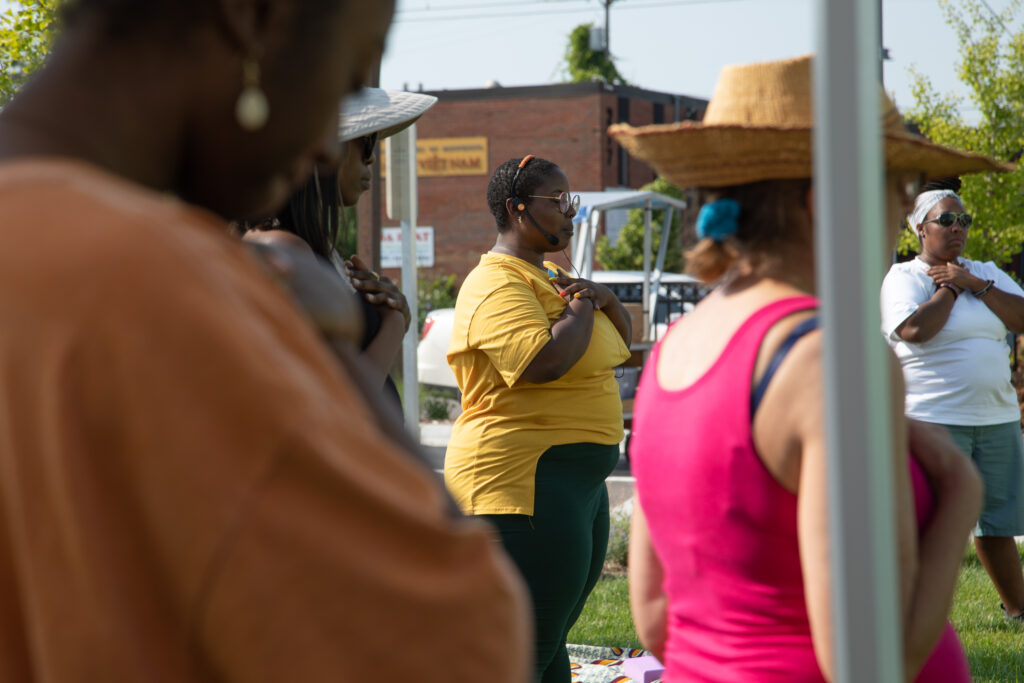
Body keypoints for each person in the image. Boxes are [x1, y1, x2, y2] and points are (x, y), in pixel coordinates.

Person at [0, 1, 529, 681]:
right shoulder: (161, 288)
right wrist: (329, 345)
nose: (325, 144)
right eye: (346, 75)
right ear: (252, 20)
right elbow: (468, 644)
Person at [611, 55, 1003, 681]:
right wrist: (960, 493)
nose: (900, 212)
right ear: (832, 201)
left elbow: (656, 617)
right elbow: (870, 656)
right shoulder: (830, 359)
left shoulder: (675, 348)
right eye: (897, 190)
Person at [444, 155, 632, 683]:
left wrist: (605, 299)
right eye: (558, 202)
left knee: (548, 652)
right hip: (522, 485)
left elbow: (624, 347)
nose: (570, 213)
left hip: (575, 486)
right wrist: (579, 309)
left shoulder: (550, 276)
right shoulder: (495, 284)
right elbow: (542, 362)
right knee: (521, 655)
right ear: (516, 208)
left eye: (572, 201)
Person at [881, 178, 1024, 622]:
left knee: (998, 524)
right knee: (927, 525)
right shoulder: (903, 277)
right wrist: (950, 287)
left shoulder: (987, 272)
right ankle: (910, 618)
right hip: (932, 419)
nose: (958, 227)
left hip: (997, 418)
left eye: (963, 219)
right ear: (920, 228)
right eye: (946, 219)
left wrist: (972, 282)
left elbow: (1021, 317)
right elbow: (915, 332)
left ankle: (1018, 610)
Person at [245, 88, 438, 402]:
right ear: (322, 149)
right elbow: (341, 400)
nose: (371, 157)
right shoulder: (281, 249)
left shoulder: (308, 248)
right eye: (365, 142)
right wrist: (393, 324)